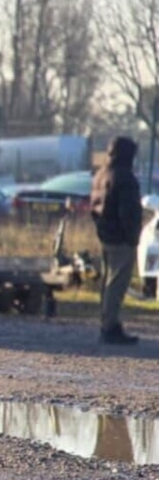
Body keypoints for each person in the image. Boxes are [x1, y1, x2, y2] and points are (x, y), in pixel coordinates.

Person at [91, 135, 144, 345]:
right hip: (122, 239)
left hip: (106, 235)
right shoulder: (125, 178)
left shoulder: (101, 175)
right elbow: (128, 212)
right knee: (117, 284)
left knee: (108, 282)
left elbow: (95, 208)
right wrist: (132, 237)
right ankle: (110, 326)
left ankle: (106, 322)